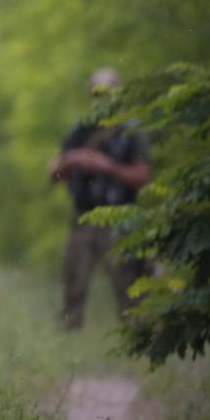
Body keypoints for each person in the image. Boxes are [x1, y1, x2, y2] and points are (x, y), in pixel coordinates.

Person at [47, 67, 153, 329]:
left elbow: (143, 176)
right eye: (98, 93)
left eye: (108, 93)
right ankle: (69, 334)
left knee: (129, 282)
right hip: (82, 217)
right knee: (73, 280)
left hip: (119, 218)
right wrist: (70, 163)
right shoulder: (79, 132)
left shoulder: (131, 132)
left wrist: (105, 165)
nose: (102, 98)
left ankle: (137, 335)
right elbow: (54, 175)